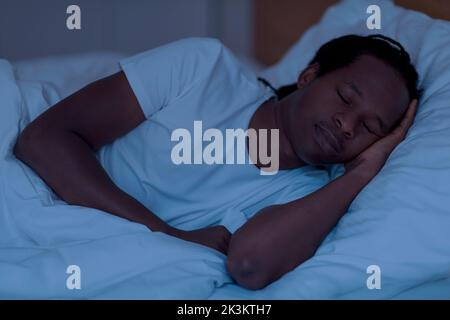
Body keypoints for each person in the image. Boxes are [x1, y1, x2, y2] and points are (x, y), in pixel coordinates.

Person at [13, 34, 420, 290]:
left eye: (370, 128)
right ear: (309, 76)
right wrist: (165, 233)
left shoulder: (310, 198)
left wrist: (363, 173)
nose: (347, 125)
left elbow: (249, 265)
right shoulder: (204, 68)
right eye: (345, 98)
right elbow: (43, 140)